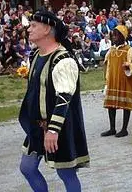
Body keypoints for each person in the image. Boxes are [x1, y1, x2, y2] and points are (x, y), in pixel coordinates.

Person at [19, 11, 89, 192]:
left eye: (34, 25)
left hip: (58, 128)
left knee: (66, 173)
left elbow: (64, 98)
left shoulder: (64, 60)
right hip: (37, 127)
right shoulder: (35, 55)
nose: (29, 29)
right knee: (27, 168)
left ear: (47, 29)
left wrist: (53, 130)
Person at [101, 25, 132, 138]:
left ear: (123, 37)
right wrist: (107, 80)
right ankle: (112, 128)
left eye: (117, 35)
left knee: (125, 104)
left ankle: (124, 129)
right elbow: (108, 66)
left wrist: (129, 66)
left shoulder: (129, 50)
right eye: (113, 35)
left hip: (125, 80)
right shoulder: (111, 50)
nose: (114, 37)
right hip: (113, 80)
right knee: (111, 105)